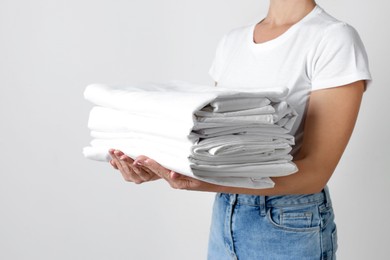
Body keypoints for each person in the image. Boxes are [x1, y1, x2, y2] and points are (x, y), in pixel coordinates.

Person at [108, 0, 371, 259]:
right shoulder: (232, 41)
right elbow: (214, 137)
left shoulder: (333, 38)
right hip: (225, 211)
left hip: (289, 221)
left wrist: (201, 182)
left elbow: (316, 172)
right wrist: (162, 167)